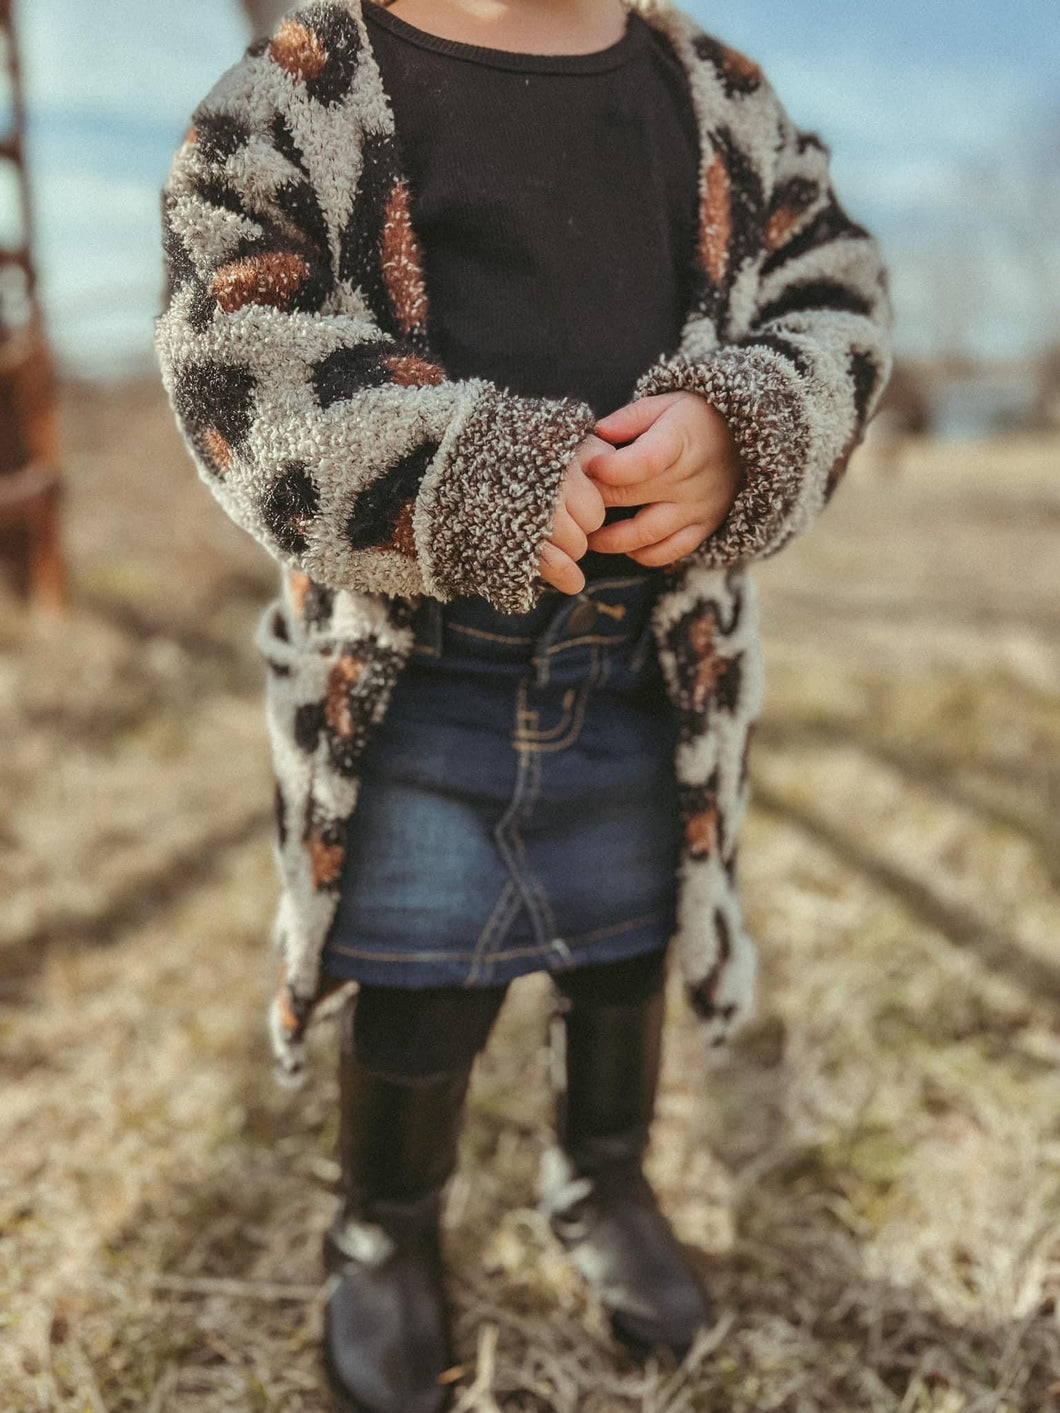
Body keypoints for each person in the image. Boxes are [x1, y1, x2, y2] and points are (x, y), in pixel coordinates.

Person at [153, 0, 892, 1407]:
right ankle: (386, 1224)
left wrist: (752, 425)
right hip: (415, 671)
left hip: (650, 662)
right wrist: (456, 473)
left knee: (626, 943)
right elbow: (232, 352)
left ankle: (598, 1178)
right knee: (419, 979)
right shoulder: (300, 92)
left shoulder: (719, 99)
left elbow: (835, 293)